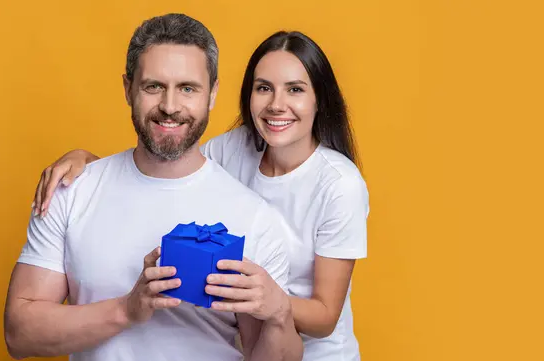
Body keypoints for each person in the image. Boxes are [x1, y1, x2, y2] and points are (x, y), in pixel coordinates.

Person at [33, 29, 369, 361]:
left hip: (317, 352)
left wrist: (268, 300)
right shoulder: (231, 150)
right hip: (248, 341)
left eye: (295, 89)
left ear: (319, 98)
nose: (276, 105)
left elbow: (326, 318)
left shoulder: (339, 184)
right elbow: (168, 156)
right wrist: (88, 165)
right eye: (263, 88)